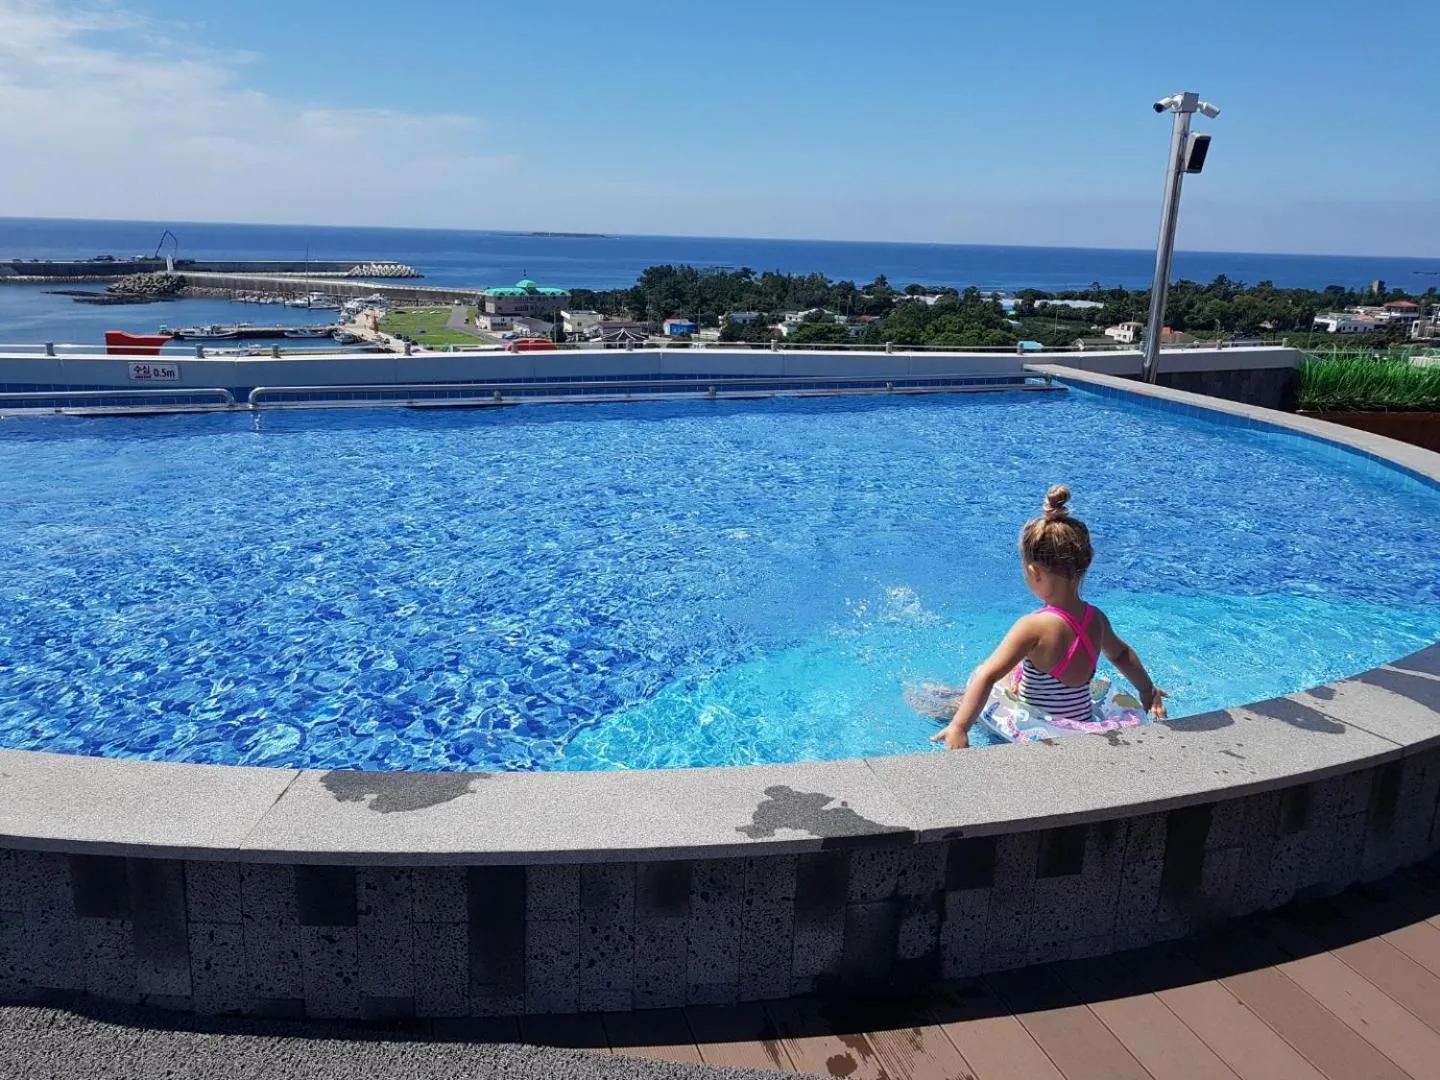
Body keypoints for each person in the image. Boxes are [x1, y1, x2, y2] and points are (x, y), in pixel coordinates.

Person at [928, 484, 1167, 750]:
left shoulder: (1033, 626)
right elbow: (1122, 655)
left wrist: (961, 727)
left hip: (1035, 728)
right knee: (1014, 675)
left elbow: (987, 675)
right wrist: (1147, 691)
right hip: (1081, 721)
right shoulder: (1096, 618)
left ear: (1034, 572)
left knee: (956, 696)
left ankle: (941, 706)